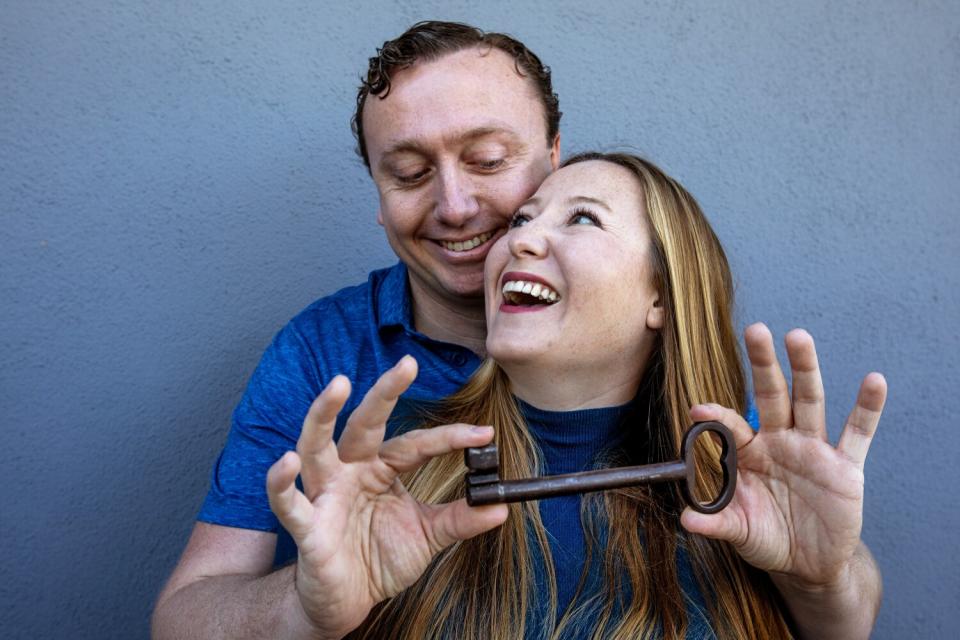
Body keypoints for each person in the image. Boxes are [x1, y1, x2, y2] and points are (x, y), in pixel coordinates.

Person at [151, 23, 883, 640]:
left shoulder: (685, 387)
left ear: (553, 160)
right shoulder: (328, 356)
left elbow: (817, 573)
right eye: (408, 173)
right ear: (377, 199)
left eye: (489, 161)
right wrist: (304, 606)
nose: (457, 206)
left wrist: (827, 576)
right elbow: (185, 612)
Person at [259, 153, 887, 640]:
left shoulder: (735, 475)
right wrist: (315, 610)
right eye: (522, 220)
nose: (519, 241)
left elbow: (841, 623)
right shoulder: (402, 470)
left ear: (661, 299)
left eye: (582, 218)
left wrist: (825, 578)